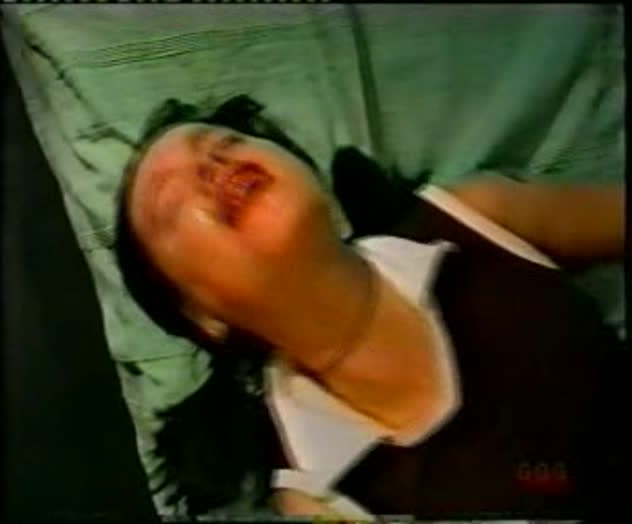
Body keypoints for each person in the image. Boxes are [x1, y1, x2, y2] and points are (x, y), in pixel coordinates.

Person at [116, 95, 626, 519]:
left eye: (225, 142)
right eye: (170, 203)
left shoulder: (474, 219)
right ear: (203, 317)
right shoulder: (317, 498)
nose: (211, 165)